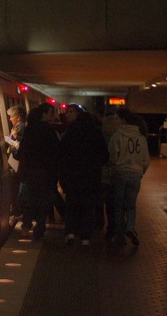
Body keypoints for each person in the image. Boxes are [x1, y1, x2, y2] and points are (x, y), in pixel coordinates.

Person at [59, 105, 109, 246]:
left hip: (72, 176)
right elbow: (105, 156)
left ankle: (70, 233)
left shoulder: (70, 133)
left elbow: (62, 155)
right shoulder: (96, 135)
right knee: (88, 208)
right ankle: (85, 237)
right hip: (91, 177)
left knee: (72, 206)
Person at [16, 106, 59, 240]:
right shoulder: (49, 131)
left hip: (30, 171)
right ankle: (39, 228)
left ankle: (25, 226)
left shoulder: (29, 130)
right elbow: (56, 152)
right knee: (42, 201)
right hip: (45, 172)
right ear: (44, 115)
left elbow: (23, 151)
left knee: (30, 199)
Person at [108, 108, 150, 246]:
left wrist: (113, 169)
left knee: (118, 205)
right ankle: (130, 227)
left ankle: (119, 235)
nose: (115, 121)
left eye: (116, 118)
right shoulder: (141, 137)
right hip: (136, 174)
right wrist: (140, 172)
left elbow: (113, 156)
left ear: (123, 120)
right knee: (131, 205)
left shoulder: (117, 136)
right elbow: (146, 160)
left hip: (120, 172)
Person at [99, 114, 122, 240]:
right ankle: (118, 229)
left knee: (106, 203)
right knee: (117, 204)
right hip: (117, 174)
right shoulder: (119, 138)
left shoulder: (101, 138)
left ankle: (106, 226)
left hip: (104, 175)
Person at [6, 105, 27, 216]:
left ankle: (16, 208)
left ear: (18, 117)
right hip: (14, 161)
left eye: (11, 117)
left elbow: (21, 145)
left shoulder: (21, 127)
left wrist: (14, 138)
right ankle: (15, 207)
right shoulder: (18, 127)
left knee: (15, 186)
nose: (10, 119)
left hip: (16, 162)